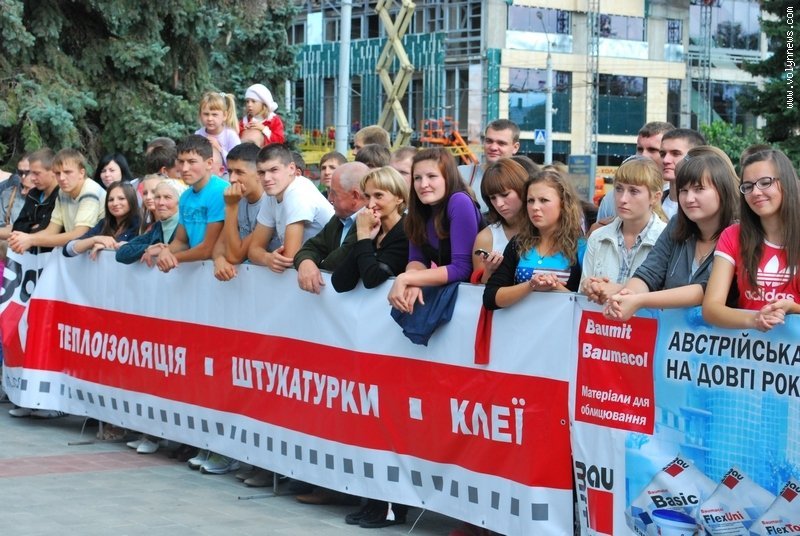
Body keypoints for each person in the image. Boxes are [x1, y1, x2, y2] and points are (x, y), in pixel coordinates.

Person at [604, 146, 740, 322]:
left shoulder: (737, 234)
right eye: (683, 190)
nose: (689, 198)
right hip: (670, 335)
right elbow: (649, 273)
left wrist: (639, 300)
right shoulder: (676, 225)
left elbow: (705, 290)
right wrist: (626, 296)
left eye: (699, 189)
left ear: (723, 190)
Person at [703, 149, 800, 331]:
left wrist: (792, 308)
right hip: (749, 345)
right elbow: (711, 308)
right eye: (747, 186)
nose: (755, 192)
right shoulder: (732, 235)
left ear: (786, 183)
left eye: (765, 182)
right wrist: (754, 320)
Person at [387, 148, 481, 313]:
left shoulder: (459, 201)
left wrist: (407, 278)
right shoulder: (419, 210)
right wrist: (414, 280)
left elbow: (462, 268)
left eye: (432, 176)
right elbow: (417, 259)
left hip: (473, 303)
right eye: (417, 178)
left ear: (447, 177)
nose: (423, 184)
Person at [483, 170, 586, 310]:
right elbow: (490, 298)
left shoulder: (581, 246)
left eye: (544, 200)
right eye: (530, 201)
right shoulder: (518, 243)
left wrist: (555, 287)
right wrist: (531, 285)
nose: (535, 207)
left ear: (563, 204)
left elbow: (586, 305)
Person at [580, 157, 668, 304]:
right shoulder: (597, 237)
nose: (622, 199)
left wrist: (619, 290)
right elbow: (581, 297)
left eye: (634, 191)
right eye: (619, 189)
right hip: (600, 317)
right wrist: (588, 286)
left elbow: (671, 297)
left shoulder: (668, 239)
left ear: (655, 197)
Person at [248, 144, 334, 273]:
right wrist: (268, 258)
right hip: (312, 269)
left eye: (274, 170)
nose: (266, 178)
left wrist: (268, 258)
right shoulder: (272, 194)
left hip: (330, 270)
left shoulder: (298, 191)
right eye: (261, 172)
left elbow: (289, 257)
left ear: (292, 169)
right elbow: (253, 250)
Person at [9, 149, 105, 254]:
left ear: (82, 173)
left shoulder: (90, 191)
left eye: (67, 172)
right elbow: (51, 231)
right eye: (58, 173)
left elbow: (79, 235)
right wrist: (23, 239)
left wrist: (31, 240)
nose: (62, 178)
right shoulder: (62, 192)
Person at [294, 162, 370, 293]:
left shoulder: (372, 221)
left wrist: (318, 266)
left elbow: (337, 262)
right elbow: (310, 247)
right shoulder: (338, 219)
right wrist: (305, 262)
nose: (329, 198)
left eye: (334, 193)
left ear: (355, 196)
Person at [155, 135, 227, 273]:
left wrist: (172, 258)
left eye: (192, 162)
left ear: (209, 163)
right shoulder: (185, 196)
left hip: (219, 272)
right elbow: (181, 241)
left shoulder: (220, 191)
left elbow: (208, 249)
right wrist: (166, 251)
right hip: (198, 272)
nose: (185, 168)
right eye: (181, 162)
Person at [332, 166, 409, 293]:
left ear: (399, 197)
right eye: (367, 197)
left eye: (378, 196)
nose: (371, 204)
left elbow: (372, 279)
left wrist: (363, 236)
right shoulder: (371, 228)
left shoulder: (407, 232)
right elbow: (340, 283)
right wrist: (365, 238)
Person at [596, 122, 675, 221]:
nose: (643, 155)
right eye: (640, 149)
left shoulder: (681, 200)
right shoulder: (611, 198)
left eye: (652, 150)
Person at [212, 142, 266, 282]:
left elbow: (235, 257)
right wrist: (219, 259)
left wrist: (231, 207)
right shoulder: (238, 198)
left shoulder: (269, 203)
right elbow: (219, 246)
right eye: (230, 172)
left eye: (239, 172)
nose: (231, 179)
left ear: (259, 173)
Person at [471, 158, 528, 284]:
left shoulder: (545, 228)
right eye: (493, 198)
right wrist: (489, 271)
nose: (499, 203)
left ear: (523, 189)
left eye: (505, 194)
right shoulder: (485, 237)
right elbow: (478, 289)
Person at [116, 180, 186, 265]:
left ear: (180, 201)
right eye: (157, 197)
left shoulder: (189, 225)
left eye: (167, 197)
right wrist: (148, 248)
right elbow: (121, 253)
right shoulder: (157, 228)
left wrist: (166, 250)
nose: (160, 202)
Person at [63, 181, 140, 258]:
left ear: (132, 200)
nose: (115, 203)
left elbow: (140, 248)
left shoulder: (140, 224)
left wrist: (108, 247)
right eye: (111, 200)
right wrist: (95, 240)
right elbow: (67, 250)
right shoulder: (104, 223)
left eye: (121, 198)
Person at [458, 119, 520, 213]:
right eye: (489, 141)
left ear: (515, 147)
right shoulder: (461, 174)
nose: (493, 147)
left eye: (501, 143)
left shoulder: (523, 179)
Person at [658, 128, 706, 220]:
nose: (665, 160)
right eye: (663, 154)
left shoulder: (707, 208)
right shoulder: (651, 203)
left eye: (675, 153)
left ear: (696, 158)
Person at [195, 91, 241, 164]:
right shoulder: (198, 134)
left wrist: (219, 148)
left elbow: (237, 162)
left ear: (224, 115)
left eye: (214, 115)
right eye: (206, 114)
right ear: (200, 115)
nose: (210, 118)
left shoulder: (230, 136)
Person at [0, 154, 33, 241]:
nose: (23, 176)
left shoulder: (47, 196)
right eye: (20, 172)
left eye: (27, 172)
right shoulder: (7, 194)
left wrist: (13, 228)